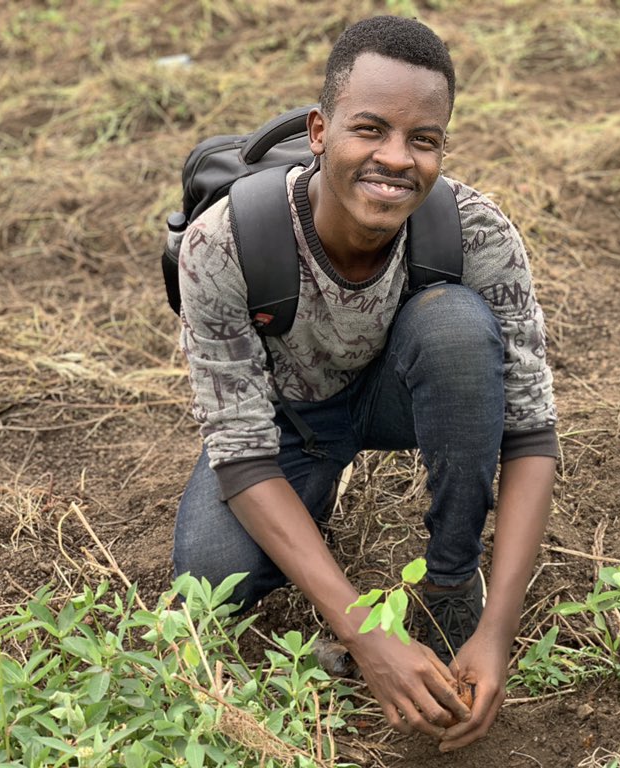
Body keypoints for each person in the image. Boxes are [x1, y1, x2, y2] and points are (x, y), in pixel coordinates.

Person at [172, 15, 557, 751]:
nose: (395, 158)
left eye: (424, 139)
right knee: (209, 585)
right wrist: (367, 633)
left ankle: (448, 590)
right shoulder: (222, 244)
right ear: (320, 131)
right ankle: (312, 503)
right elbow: (242, 448)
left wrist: (496, 634)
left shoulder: (478, 234)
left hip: (403, 394)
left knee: (453, 327)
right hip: (290, 423)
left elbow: (532, 429)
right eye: (369, 129)